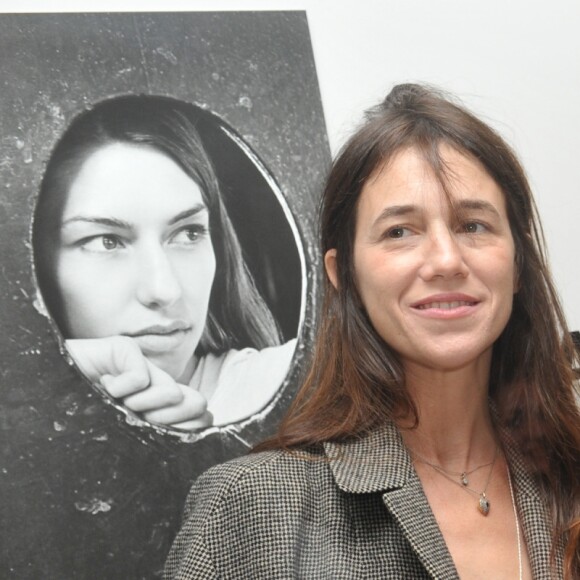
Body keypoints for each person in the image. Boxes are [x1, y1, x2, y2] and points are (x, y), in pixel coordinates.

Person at [164, 84, 579, 578]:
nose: (446, 260)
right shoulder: (251, 508)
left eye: (473, 225)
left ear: (517, 264)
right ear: (345, 277)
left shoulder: (568, 478)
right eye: (399, 231)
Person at [32, 95, 296, 430]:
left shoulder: (275, 379)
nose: (164, 289)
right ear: (37, 268)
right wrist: (47, 375)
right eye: (107, 241)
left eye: (188, 233)